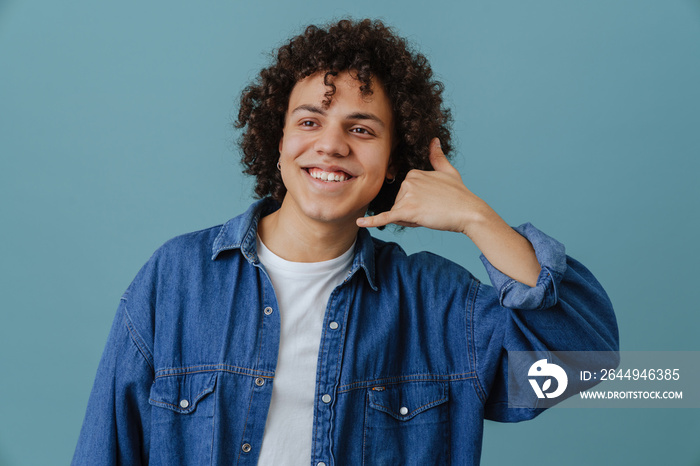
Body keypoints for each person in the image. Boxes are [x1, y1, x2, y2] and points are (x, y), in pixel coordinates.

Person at [73, 18, 619, 465]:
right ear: (278, 139)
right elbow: (106, 448)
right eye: (309, 121)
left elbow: (584, 359)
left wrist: (479, 219)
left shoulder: (436, 305)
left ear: (392, 164)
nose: (331, 145)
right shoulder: (177, 279)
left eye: (361, 129)